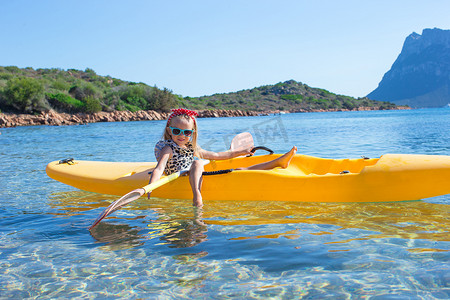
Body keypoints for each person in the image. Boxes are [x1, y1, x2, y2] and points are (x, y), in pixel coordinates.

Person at [148, 108, 297, 207]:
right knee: (198, 163)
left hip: (193, 173)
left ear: (192, 133)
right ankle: (197, 195)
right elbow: (159, 168)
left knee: (238, 168)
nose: (181, 136)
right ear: (169, 130)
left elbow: (217, 155)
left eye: (186, 133)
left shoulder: (192, 148)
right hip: (179, 177)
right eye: (177, 131)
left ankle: (277, 163)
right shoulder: (168, 148)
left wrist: (240, 152)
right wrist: (150, 187)